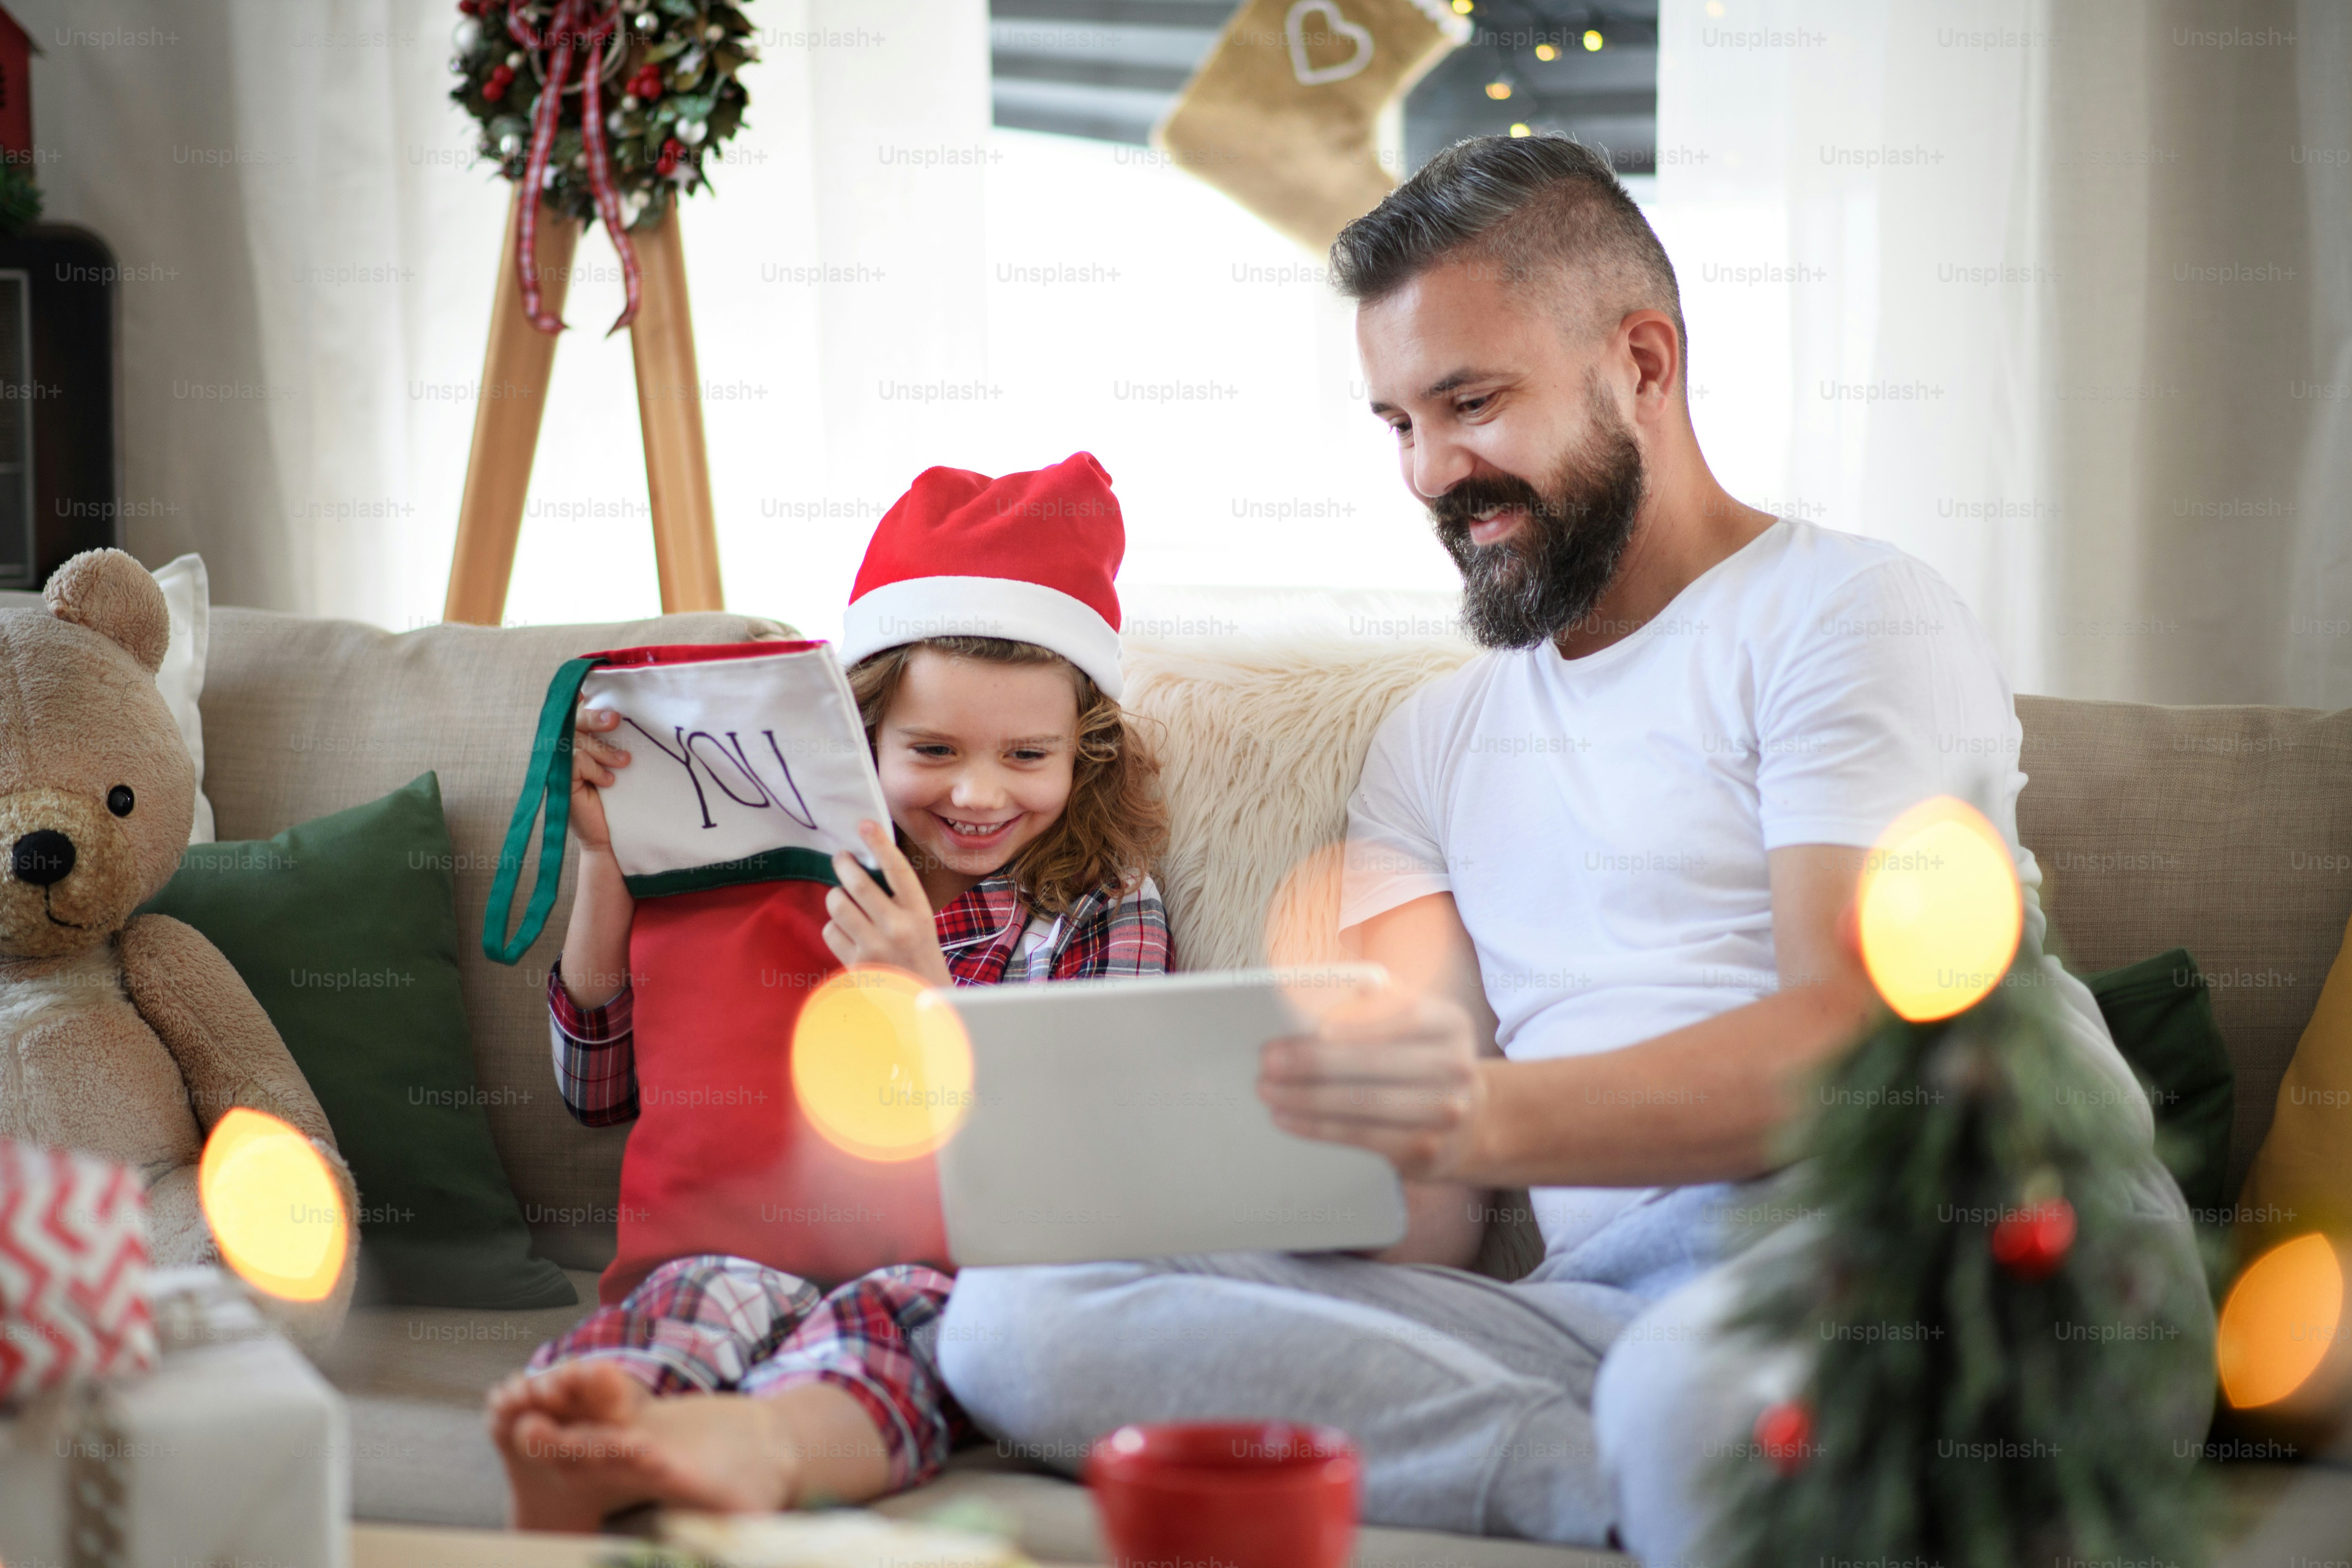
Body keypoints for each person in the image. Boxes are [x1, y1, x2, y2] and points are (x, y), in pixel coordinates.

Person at [935, 138, 2211, 1558]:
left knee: (1689, 1402)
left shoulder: (1848, 614)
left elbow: (1854, 1053)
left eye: (1470, 402)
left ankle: (1713, 1460)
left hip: (1948, 1258)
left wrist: (1468, 1113)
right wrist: (1233, 1147)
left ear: (1642, 364)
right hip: (1629, 1319)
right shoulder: (1431, 740)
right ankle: (1646, 1483)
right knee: (1018, 1316)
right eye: (1395, 423)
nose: (1430, 471)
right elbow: (1418, 1209)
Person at [486, 452, 1172, 1531]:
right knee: (691, 1298)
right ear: (864, 734)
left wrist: (928, 994)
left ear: (1085, 754)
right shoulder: (761, 849)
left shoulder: (1101, 900)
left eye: (1027, 755)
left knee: (900, 1330)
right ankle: (606, 1427)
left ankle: (755, 1452)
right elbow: (596, 1092)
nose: (979, 793)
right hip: (740, 1243)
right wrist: (607, 866)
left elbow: (1090, 1164)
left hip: (946, 1271)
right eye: (933, 749)